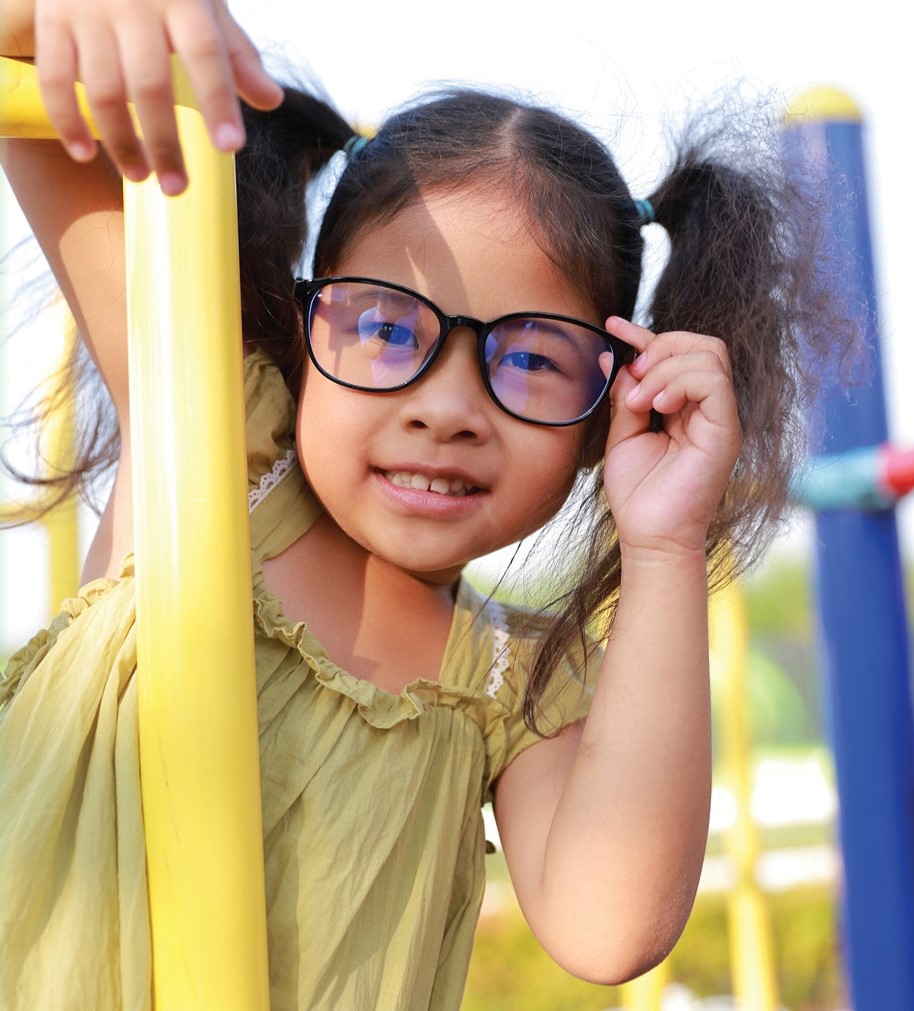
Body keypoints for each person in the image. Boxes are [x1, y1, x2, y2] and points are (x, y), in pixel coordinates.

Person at [0, 1, 843, 1008]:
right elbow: (29, 84)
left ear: (601, 415)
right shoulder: (210, 436)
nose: (446, 409)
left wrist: (661, 545)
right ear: (311, 315)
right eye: (386, 328)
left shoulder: (508, 688)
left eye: (531, 356)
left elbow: (607, 921)